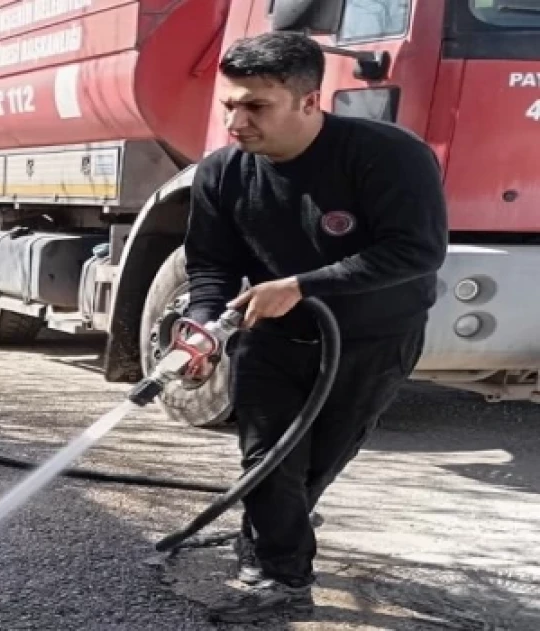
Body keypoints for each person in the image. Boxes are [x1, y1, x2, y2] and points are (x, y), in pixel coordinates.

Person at [181, 32, 449, 623]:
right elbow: (210, 264)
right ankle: (280, 579)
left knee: (315, 466)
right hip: (272, 339)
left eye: (256, 106)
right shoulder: (222, 172)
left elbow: (417, 250)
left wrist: (302, 285)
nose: (236, 122)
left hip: (372, 339)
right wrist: (203, 323)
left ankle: (275, 532)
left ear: (309, 101)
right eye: (230, 105)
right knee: (269, 459)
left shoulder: (388, 155)